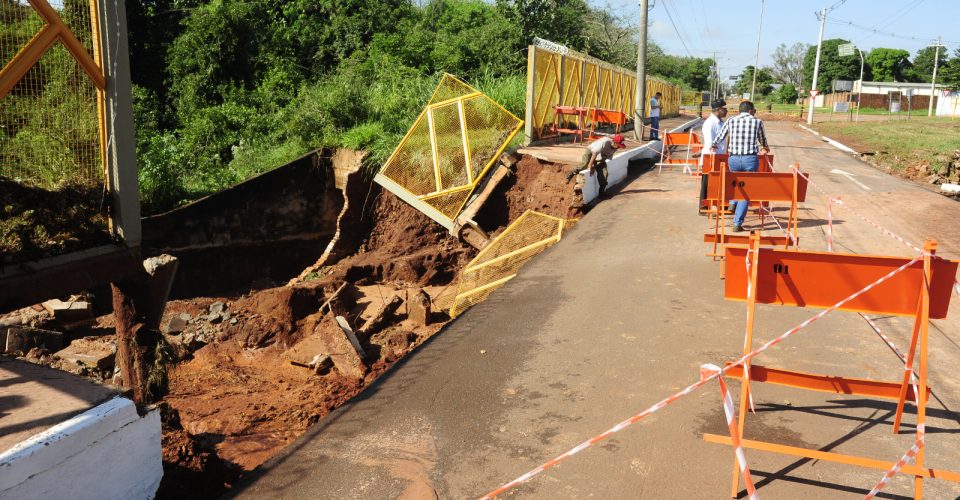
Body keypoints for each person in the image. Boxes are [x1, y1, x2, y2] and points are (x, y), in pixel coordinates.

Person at [710, 100, 770, 232]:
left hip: (734, 159)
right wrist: (766, 148)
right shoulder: (757, 122)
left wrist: (713, 145)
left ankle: (732, 203)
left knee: (735, 184)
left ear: (739, 110)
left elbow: (720, 136)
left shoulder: (731, 120)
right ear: (750, 110)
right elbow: (762, 139)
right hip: (750, 159)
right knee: (746, 192)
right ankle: (737, 223)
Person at [566, 134, 626, 198]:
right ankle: (570, 174)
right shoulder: (605, 142)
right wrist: (590, 165)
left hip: (600, 156)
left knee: (604, 173)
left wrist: (595, 166)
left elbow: (604, 157)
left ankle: (602, 194)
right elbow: (594, 153)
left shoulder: (614, 148)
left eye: (620, 146)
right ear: (614, 142)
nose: (619, 147)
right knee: (584, 165)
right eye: (618, 145)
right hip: (591, 152)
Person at [699, 99, 727, 214]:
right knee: (707, 183)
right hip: (711, 158)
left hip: (720, 157)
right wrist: (713, 161)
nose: (726, 111)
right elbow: (710, 144)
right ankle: (704, 207)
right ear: (719, 109)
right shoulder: (710, 123)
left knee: (718, 183)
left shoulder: (720, 122)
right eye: (724, 108)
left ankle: (720, 205)